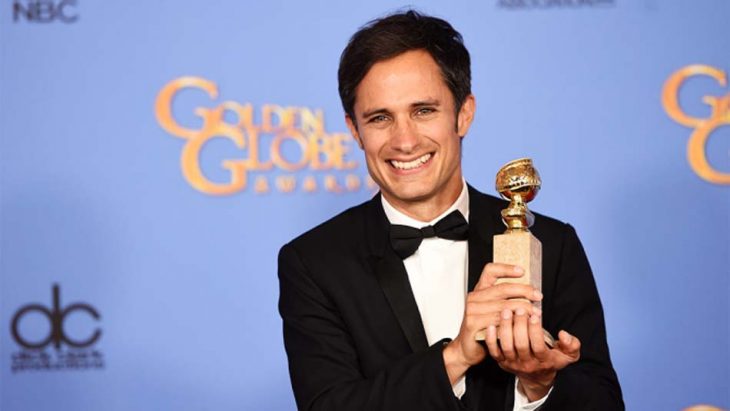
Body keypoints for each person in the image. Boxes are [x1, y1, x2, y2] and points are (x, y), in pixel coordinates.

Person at [278, 10, 623, 410]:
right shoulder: (314, 262)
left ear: (464, 113)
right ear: (354, 130)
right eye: (379, 118)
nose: (404, 141)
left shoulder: (550, 243)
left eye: (424, 111)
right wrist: (456, 356)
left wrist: (539, 382)